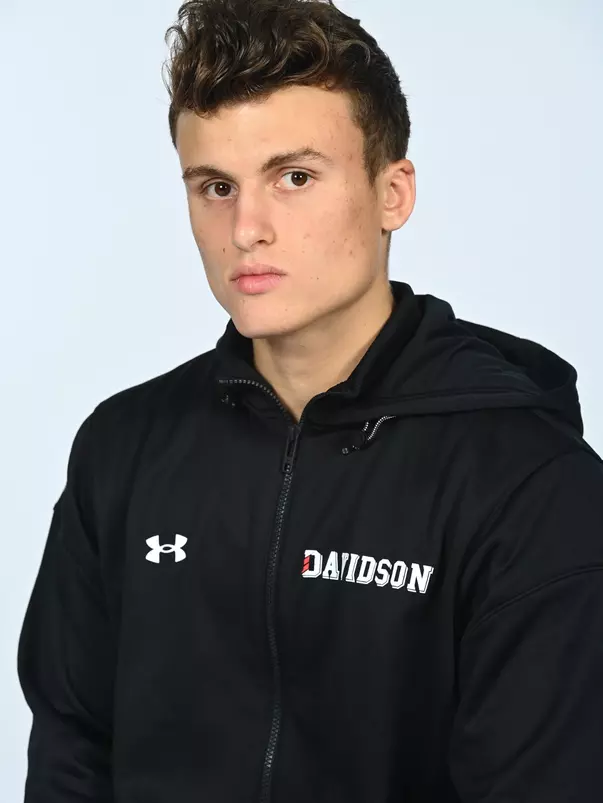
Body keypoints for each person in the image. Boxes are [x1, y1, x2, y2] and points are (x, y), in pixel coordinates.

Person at [17, 0, 603, 800]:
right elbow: (70, 747)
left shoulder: (528, 480)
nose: (246, 227)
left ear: (392, 192)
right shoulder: (124, 446)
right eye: (214, 186)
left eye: (293, 177)